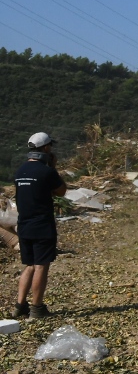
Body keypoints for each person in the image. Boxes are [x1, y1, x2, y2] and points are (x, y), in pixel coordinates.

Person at [11, 132, 66, 319]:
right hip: (42, 225)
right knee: (41, 266)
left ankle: (19, 305)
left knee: (29, 266)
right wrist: (53, 167)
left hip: (24, 225)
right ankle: (37, 308)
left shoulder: (20, 171)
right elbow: (61, 191)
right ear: (46, 148)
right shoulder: (47, 172)